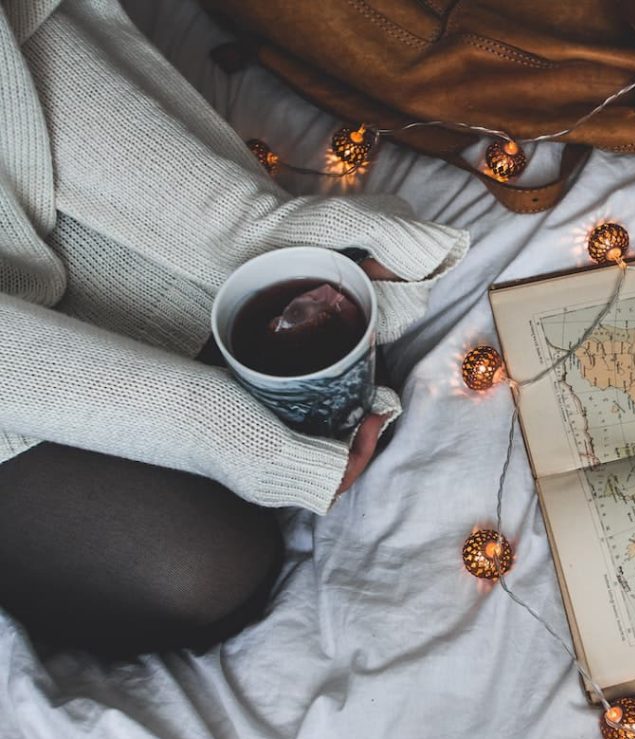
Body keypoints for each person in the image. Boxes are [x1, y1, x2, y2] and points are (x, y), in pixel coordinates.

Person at [0, 0, 468, 656]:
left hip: (24, 202)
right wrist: (216, 430)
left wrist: (265, 236)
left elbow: (19, 47)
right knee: (208, 570)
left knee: (330, 371)